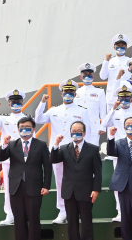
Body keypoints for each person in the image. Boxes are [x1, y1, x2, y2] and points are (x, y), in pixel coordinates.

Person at [35, 80, 98, 224]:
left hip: (76, 151)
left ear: (75, 94)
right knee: (60, 181)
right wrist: (42, 103)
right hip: (58, 151)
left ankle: (79, 208)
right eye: (66, 92)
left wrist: (87, 152)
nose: (68, 94)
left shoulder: (82, 111)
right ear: (61, 94)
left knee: (80, 179)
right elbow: (38, 119)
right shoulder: (54, 110)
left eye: (71, 92)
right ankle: (62, 210)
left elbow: (87, 131)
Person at [0, 117, 51, 240]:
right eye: (21, 127)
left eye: (27, 127)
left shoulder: (41, 145)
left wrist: (46, 185)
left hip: (34, 187)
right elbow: (0, 157)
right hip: (16, 187)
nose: (24, 129)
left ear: (33, 129)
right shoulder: (12, 144)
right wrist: (4, 144)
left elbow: (47, 166)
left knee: (33, 219)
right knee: (19, 220)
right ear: (18, 129)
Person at [51, 121, 102, 240]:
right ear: (70, 132)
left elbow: (98, 172)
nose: (76, 132)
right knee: (71, 222)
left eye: (79, 130)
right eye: (73, 130)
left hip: (86, 191)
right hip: (69, 191)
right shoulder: (64, 148)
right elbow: (54, 159)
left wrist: (96, 189)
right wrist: (55, 144)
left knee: (86, 222)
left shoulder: (92, 149)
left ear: (84, 133)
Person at [102, 85, 132, 222]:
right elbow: (105, 124)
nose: (124, 100)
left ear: (131, 99)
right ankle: (120, 211)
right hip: (119, 150)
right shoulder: (114, 112)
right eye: (121, 97)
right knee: (120, 183)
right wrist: (113, 108)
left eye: (127, 97)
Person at [0, 89, 29, 225]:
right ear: (9, 104)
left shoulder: (28, 119)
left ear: (22, 103)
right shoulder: (3, 118)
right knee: (9, 188)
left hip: (24, 158)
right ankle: (10, 214)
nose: (16, 104)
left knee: (26, 187)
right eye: (13, 102)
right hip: (9, 158)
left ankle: (25, 214)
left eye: (18, 102)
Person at [75, 63, 107, 146]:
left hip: (94, 126)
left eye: (89, 75)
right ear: (81, 77)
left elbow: (103, 110)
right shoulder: (76, 92)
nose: (87, 77)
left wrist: (103, 126)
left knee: (93, 148)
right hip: (79, 126)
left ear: (93, 77)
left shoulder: (99, 92)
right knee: (78, 148)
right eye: (85, 75)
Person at [99, 34, 131, 109]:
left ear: (126, 47)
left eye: (122, 46)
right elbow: (103, 76)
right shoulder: (109, 61)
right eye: (118, 46)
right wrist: (106, 61)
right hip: (112, 98)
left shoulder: (130, 61)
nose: (120, 47)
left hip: (126, 97)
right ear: (114, 47)